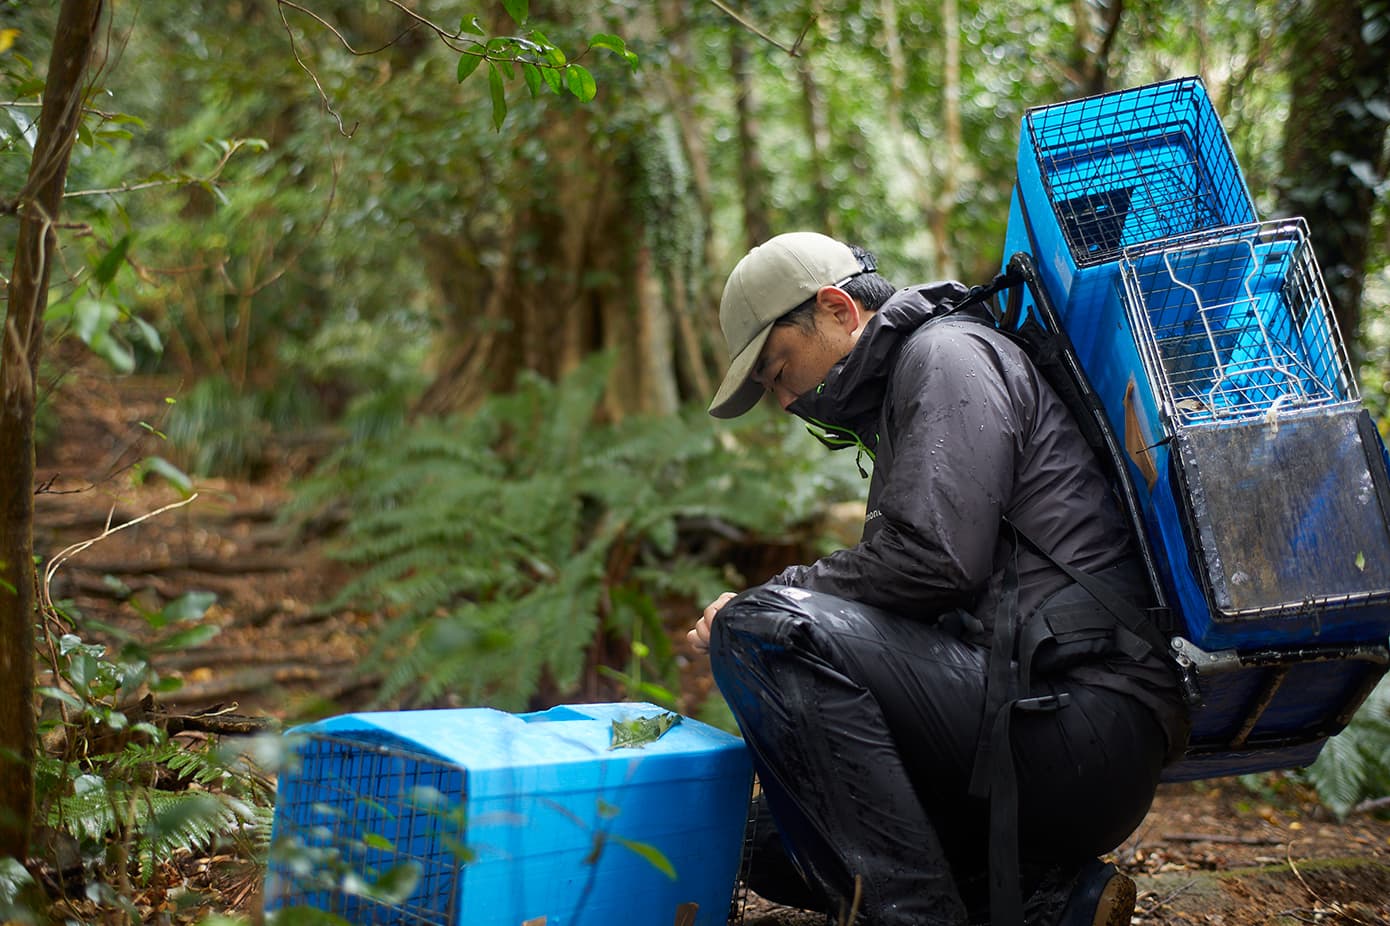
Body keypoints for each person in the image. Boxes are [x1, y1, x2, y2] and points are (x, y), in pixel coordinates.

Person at [688, 232, 1190, 926]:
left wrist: (769, 601)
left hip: (1076, 725)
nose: (784, 401)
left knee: (763, 629)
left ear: (837, 310)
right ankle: (1050, 903)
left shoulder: (945, 354)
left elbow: (931, 563)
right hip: (1013, 727)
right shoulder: (907, 387)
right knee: (765, 842)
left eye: (779, 371)